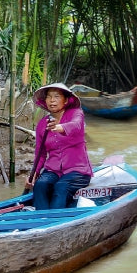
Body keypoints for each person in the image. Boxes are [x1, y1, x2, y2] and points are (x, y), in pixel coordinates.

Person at [24, 82, 93, 210]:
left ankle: (54, 219)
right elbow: (41, 153)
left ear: (65, 100)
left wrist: (59, 127)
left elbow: (76, 125)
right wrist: (34, 172)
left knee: (61, 186)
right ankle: (42, 219)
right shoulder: (42, 125)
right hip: (53, 170)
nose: (52, 100)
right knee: (40, 184)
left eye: (56, 96)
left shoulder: (76, 113)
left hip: (77, 170)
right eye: (49, 97)